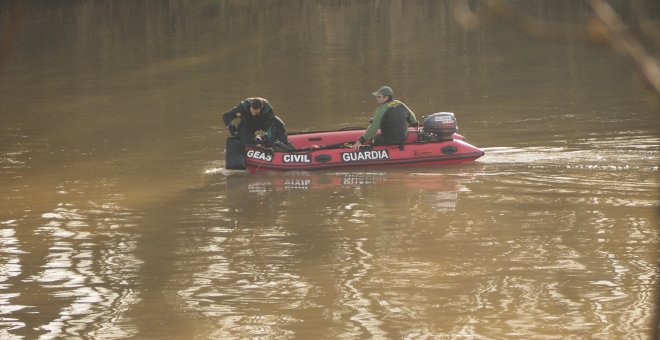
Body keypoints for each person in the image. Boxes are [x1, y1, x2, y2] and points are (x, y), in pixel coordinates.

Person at [352, 85, 418, 150]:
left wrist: (361, 140)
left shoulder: (382, 110)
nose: (376, 98)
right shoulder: (400, 104)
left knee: (371, 140)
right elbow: (413, 118)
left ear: (386, 97)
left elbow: (373, 128)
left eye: (378, 97)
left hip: (389, 140)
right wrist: (415, 125)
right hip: (404, 137)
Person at [222, 97, 288, 147]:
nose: (253, 113)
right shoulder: (243, 107)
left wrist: (270, 146)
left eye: (255, 111)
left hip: (262, 122)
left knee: (278, 125)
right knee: (245, 141)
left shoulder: (267, 110)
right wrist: (232, 130)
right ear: (250, 106)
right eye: (252, 111)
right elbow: (226, 116)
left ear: (260, 109)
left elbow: (271, 128)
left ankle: (282, 144)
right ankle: (257, 141)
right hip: (248, 123)